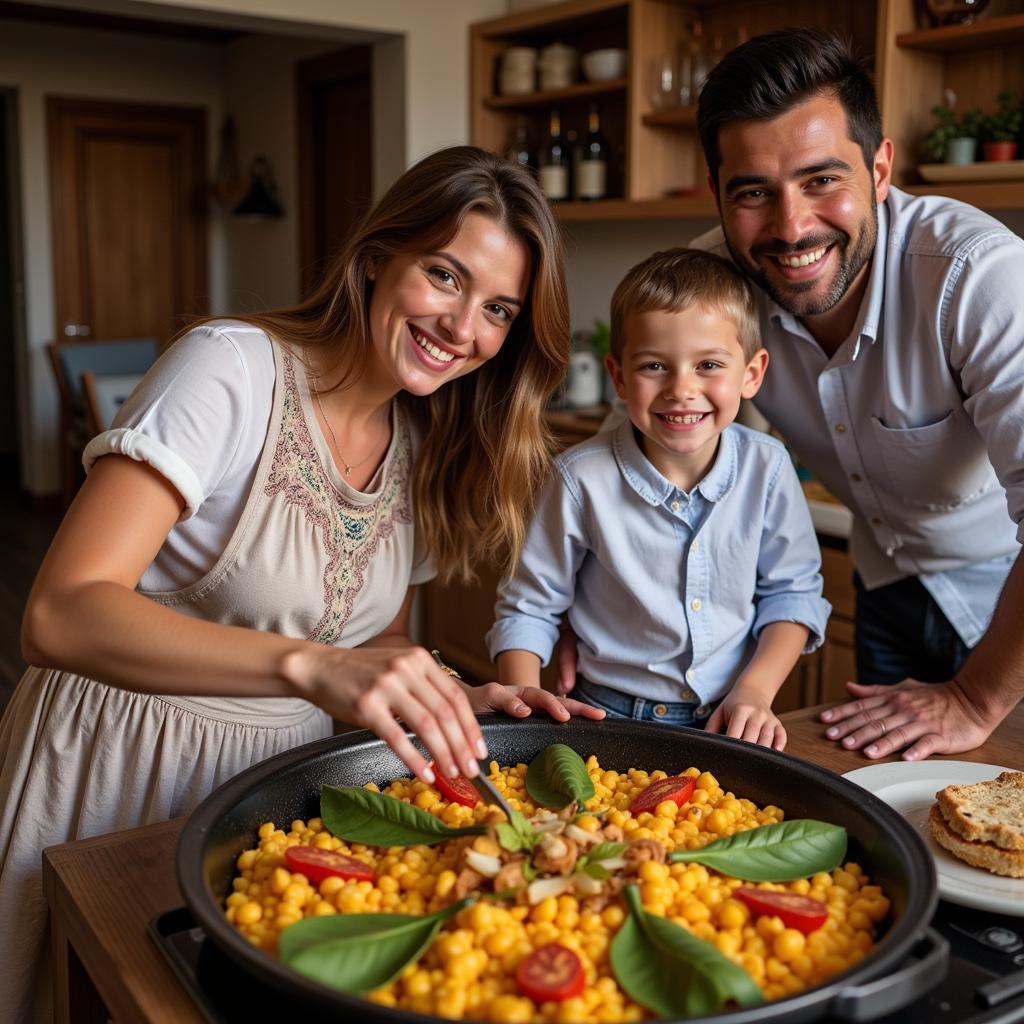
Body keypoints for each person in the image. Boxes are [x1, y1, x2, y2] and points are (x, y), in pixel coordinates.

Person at [0, 145, 603, 1023]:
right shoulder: (232, 368)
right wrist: (308, 667)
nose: (464, 326)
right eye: (444, 274)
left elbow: (368, 643)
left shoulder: (424, 442)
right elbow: (58, 614)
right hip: (115, 769)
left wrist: (449, 695)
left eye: (499, 310)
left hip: (269, 798)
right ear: (374, 259)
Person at [563, 29, 1024, 761]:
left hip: (1009, 600)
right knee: (892, 804)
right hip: (884, 579)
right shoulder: (717, 285)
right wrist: (563, 610)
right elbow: (641, 445)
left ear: (879, 169)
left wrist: (973, 698)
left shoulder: (976, 276)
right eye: (753, 193)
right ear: (717, 195)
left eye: (821, 180)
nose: (791, 227)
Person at [488, 248, 831, 749]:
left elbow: (794, 595)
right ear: (620, 377)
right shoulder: (578, 479)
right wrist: (524, 699)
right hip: (603, 717)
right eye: (654, 366)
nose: (682, 389)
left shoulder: (769, 467)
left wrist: (755, 692)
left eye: (709, 364)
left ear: (752, 373)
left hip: (729, 718)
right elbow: (528, 609)